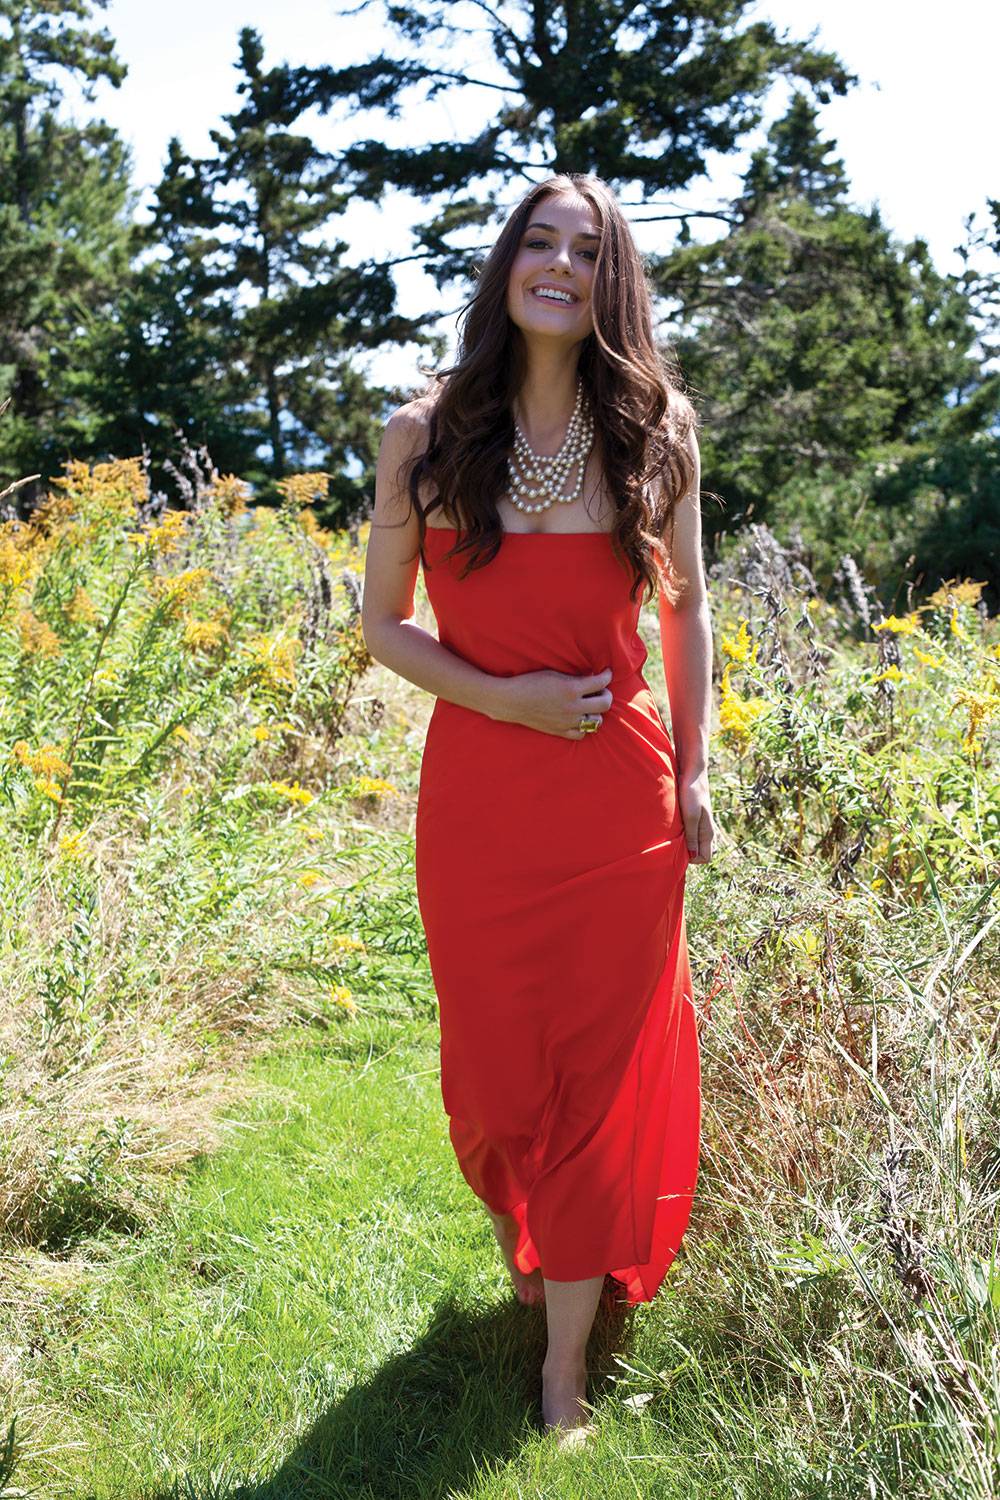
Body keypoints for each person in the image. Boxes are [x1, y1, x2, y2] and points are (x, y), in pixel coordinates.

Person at [361, 171, 716, 1448]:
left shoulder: (655, 434)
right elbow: (382, 625)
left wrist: (694, 768)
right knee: (496, 1071)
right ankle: (543, 1236)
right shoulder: (425, 434)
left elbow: (683, 612)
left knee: (598, 1071)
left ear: (611, 281)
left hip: (619, 807)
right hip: (483, 802)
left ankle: (564, 1361)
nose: (558, 264)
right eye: (538, 241)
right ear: (507, 265)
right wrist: (506, 703)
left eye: (587, 248)